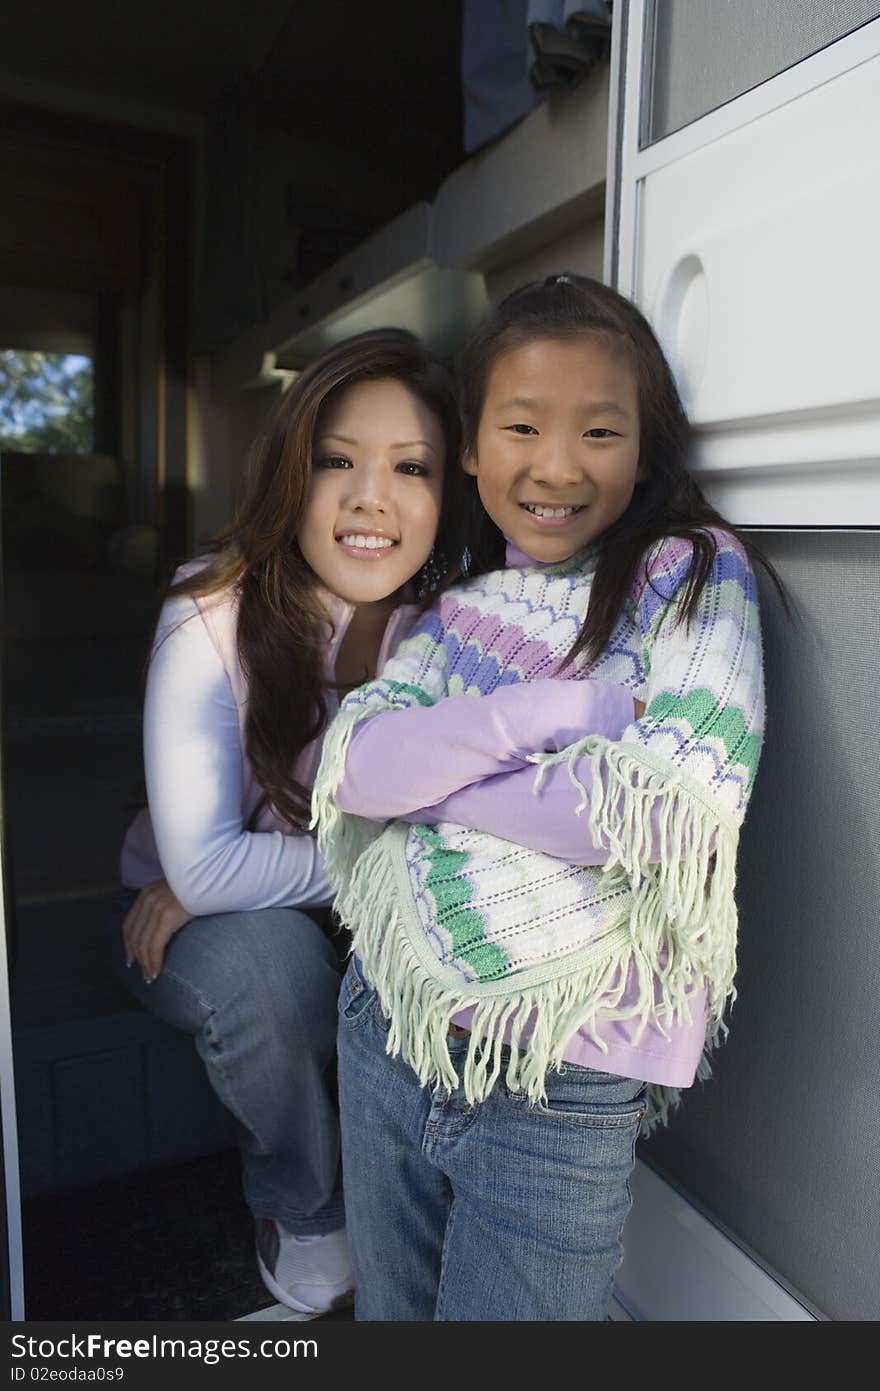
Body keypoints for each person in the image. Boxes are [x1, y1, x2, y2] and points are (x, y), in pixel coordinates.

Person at [312, 274, 780, 1321]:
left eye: (600, 432)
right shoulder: (447, 615)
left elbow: (645, 820)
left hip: (563, 1076)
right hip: (392, 1020)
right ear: (472, 446)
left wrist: (432, 782)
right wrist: (542, 717)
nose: (558, 465)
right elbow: (354, 771)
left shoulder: (692, 578)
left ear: (647, 447)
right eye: (521, 425)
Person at [114, 328, 463, 1318]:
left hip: (345, 912)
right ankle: (306, 1207)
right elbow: (208, 877)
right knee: (271, 969)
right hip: (178, 918)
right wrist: (215, 875)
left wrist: (231, 867)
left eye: (411, 468)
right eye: (336, 461)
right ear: (287, 473)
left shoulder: (454, 631)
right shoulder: (208, 609)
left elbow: (461, 853)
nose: (370, 497)